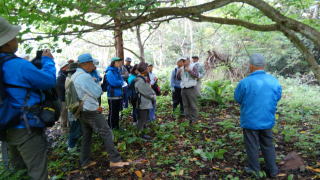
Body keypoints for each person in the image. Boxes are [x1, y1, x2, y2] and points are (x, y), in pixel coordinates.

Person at [0, 17, 56, 180]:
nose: (16, 39)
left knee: (19, 171)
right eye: (14, 36)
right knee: (37, 172)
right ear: (7, 43)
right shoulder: (18, 65)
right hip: (26, 126)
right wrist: (48, 61)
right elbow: (48, 81)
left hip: (6, 126)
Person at [72, 53, 128, 168]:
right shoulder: (85, 77)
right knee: (107, 132)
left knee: (87, 135)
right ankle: (115, 160)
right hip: (91, 110)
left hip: (80, 109)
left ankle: (85, 161)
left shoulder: (75, 75)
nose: (94, 65)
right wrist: (95, 82)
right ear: (86, 64)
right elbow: (98, 92)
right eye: (92, 63)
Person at [234, 54, 282, 178]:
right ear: (263, 65)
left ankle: (254, 170)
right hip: (267, 118)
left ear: (251, 66)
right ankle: (273, 170)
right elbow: (277, 97)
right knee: (268, 144)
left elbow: (238, 98)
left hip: (250, 120)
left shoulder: (245, 82)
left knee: (252, 145)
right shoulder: (273, 81)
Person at [135, 62, 156, 139]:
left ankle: (143, 132)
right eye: (147, 68)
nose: (148, 69)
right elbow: (145, 92)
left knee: (145, 118)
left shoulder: (143, 78)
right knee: (142, 119)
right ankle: (140, 134)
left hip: (145, 102)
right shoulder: (139, 80)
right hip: (142, 103)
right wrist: (153, 97)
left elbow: (148, 89)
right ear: (143, 69)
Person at [105, 57, 126, 129]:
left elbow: (121, 80)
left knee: (117, 112)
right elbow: (113, 83)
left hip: (118, 95)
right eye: (118, 62)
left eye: (120, 62)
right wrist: (121, 82)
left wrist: (121, 82)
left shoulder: (117, 71)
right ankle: (110, 127)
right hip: (112, 95)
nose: (120, 63)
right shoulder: (109, 72)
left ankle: (116, 127)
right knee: (112, 113)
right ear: (114, 63)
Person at [65, 62, 81, 151]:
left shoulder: (69, 78)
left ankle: (71, 144)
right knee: (75, 128)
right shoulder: (72, 80)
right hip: (74, 107)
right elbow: (74, 96)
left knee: (74, 127)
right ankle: (71, 147)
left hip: (72, 107)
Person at [177, 57, 199, 124]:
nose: (183, 62)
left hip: (191, 88)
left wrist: (190, 71)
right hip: (183, 89)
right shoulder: (181, 68)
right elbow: (178, 78)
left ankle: (194, 119)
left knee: (193, 104)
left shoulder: (193, 67)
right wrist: (178, 73)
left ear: (188, 61)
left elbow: (197, 76)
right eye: (183, 61)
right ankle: (188, 118)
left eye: (185, 61)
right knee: (185, 104)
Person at [56, 61, 73, 134]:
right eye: (67, 66)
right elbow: (62, 87)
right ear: (63, 67)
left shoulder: (65, 74)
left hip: (66, 98)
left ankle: (68, 127)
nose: (68, 67)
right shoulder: (60, 76)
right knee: (64, 114)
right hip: (62, 98)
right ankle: (64, 129)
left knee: (68, 113)